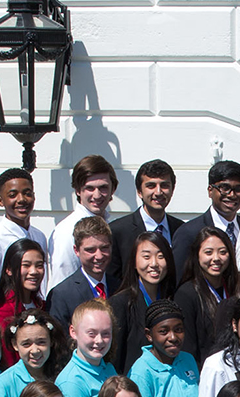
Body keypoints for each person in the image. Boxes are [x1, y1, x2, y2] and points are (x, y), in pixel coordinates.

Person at [47, 154, 118, 292]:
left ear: (112, 190)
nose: (97, 195)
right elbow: (62, 283)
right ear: (78, 190)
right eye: (90, 188)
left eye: (103, 187)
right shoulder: (67, 230)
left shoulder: (113, 225)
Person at [109, 158, 185, 284]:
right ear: (139, 191)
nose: (158, 192)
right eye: (151, 186)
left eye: (164, 185)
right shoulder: (118, 232)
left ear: (172, 189)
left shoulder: (181, 230)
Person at [173, 160, 240, 279]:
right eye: (225, 188)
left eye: (238, 189)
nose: (232, 195)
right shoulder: (189, 233)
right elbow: (179, 280)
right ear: (210, 190)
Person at [56, 298, 118, 397]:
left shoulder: (108, 368)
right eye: (91, 333)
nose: (99, 340)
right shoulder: (72, 381)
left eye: (106, 333)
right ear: (73, 332)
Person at [111, 231, 175, 371]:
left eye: (160, 256)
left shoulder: (173, 299)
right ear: (134, 261)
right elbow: (116, 357)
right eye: (146, 256)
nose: (154, 264)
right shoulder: (121, 303)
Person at [174, 226, 239, 362]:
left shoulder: (235, 288)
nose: (216, 258)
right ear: (197, 255)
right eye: (208, 252)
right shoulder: (186, 294)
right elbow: (188, 347)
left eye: (222, 252)